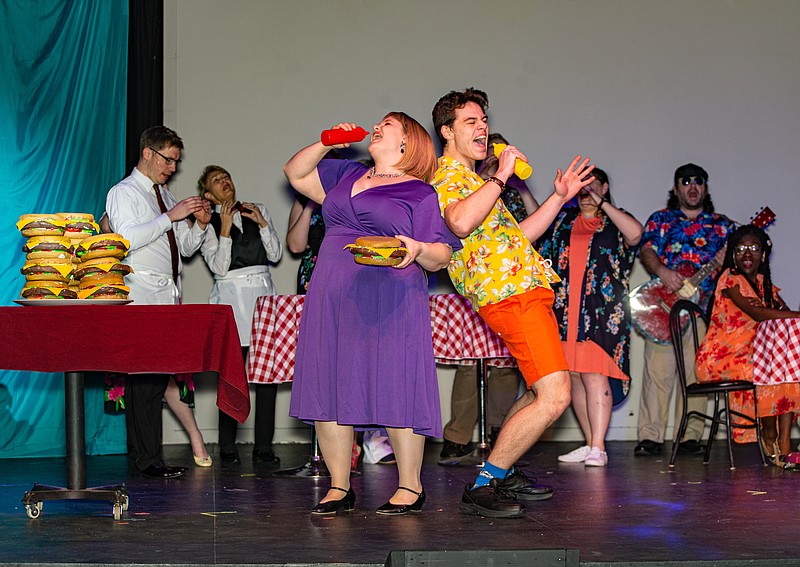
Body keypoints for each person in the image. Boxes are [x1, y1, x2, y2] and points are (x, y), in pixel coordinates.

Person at [283, 113, 461, 516]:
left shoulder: (420, 193)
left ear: (407, 142)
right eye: (378, 123)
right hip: (333, 289)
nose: (377, 127)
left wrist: (416, 249)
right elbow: (295, 173)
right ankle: (339, 486)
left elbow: (442, 254)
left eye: (389, 124)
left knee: (395, 381)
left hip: (391, 293)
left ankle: (410, 486)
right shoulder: (345, 174)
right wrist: (327, 140)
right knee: (330, 382)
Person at [432, 87, 595, 518]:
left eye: (484, 120)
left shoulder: (474, 181)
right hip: (511, 298)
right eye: (470, 121)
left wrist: (559, 196)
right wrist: (501, 176)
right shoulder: (449, 177)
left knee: (540, 389)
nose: (482, 127)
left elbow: (516, 238)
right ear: (446, 131)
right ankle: (485, 482)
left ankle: (502, 472)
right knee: (556, 396)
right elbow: (461, 223)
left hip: (525, 293)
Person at [106, 125, 211, 479]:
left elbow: (184, 247)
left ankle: (150, 458)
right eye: (168, 160)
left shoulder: (163, 195)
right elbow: (124, 240)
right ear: (148, 153)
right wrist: (171, 216)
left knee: (155, 380)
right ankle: (145, 459)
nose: (172, 168)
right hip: (139, 296)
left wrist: (198, 226)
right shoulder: (124, 192)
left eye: (176, 162)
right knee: (143, 383)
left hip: (165, 296)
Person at [440, 132, 538, 461]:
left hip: (508, 284)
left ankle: (500, 434)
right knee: (470, 364)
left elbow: (524, 233)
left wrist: (518, 181)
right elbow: (461, 221)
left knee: (509, 366)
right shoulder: (461, 181)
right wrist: (494, 176)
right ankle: (457, 436)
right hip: (481, 291)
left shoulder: (503, 189)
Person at [539, 168, 643, 467]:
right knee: (574, 378)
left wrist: (602, 201)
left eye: (592, 185)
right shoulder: (565, 220)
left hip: (601, 313)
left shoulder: (615, 219)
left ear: (605, 186)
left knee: (595, 374)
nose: (586, 192)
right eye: (581, 187)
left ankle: (599, 446)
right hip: (566, 310)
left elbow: (636, 235)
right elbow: (535, 227)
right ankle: (590, 443)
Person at [634, 164, 735, 457]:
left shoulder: (722, 226)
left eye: (698, 182)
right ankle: (650, 437)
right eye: (686, 182)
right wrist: (663, 272)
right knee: (657, 375)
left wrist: (724, 260)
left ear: (705, 187)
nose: (692, 188)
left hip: (703, 311)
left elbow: (741, 261)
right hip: (663, 311)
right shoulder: (661, 220)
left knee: (696, 374)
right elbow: (647, 250)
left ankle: (690, 436)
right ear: (676, 188)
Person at [198, 165, 282, 466]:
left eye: (227, 177)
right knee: (232, 375)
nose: (225, 183)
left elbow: (275, 255)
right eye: (216, 182)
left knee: (267, 378)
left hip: (262, 297)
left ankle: (263, 446)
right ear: (208, 194)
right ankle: (228, 446)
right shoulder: (207, 223)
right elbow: (219, 268)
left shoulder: (256, 209)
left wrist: (262, 224)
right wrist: (223, 231)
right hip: (232, 301)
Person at [695, 224, 800, 467]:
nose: (747, 254)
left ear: (763, 254)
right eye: (741, 248)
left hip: (754, 356)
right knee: (772, 369)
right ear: (733, 254)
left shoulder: (764, 283)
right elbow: (758, 312)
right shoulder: (730, 279)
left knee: (790, 366)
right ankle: (769, 432)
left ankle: (784, 442)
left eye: (754, 248)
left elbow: (781, 312)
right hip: (721, 358)